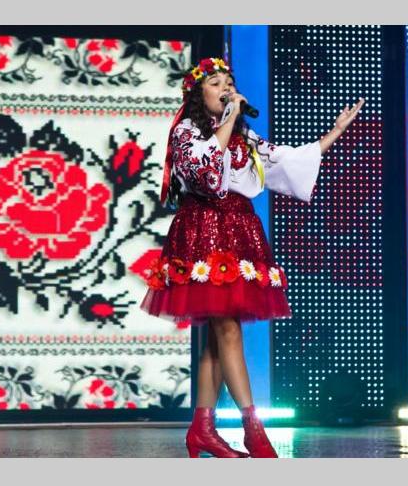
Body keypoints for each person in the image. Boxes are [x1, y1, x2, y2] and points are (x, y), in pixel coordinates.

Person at [141, 57, 364, 458]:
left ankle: (202, 430)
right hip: (204, 230)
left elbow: (285, 162)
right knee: (227, 330)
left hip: (239, 231)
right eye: (215, 83)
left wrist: (334, 133)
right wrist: (230, 118)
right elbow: (207, 176)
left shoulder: (244, 135)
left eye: (229, 82)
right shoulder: (187, 132)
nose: (225, 88)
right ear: (198, 94)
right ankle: (252, 428)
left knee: (218, 337)